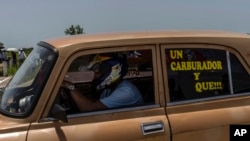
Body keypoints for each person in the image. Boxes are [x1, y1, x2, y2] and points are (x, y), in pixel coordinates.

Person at [62, 54, 143, 112]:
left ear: (113, 69)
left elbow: (89, 109)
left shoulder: (125, 92)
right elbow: (96, 103)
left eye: (99, 68)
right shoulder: (109, 89)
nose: (95, 73)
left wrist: (71, 87)